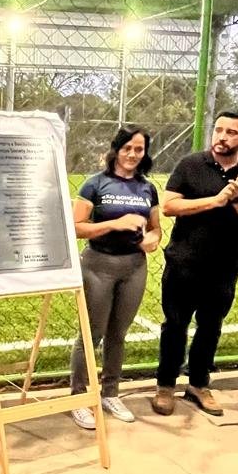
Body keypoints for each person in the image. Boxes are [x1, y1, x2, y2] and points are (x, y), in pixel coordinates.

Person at [154, 112, 238, 416]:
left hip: (223, 266)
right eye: (218, 129)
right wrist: (216, 200)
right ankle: (165, 385)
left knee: (210, 327)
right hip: (183, 262)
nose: (222, 136)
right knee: (174, 325)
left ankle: (198, 384)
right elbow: (169, 206)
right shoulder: (191, 164)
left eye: (231, 132)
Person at [68, 126, 162, 430]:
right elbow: (76, 227)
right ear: (116, 150)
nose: (133, 154)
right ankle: (79, 398)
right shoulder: (95, 184)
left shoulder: (147, 188)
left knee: (118, 333)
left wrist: (151, 240)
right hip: (98, 264)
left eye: (139, 149)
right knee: (91, 333)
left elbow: (156, 229)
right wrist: (114, 224)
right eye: (127, 148)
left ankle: (110, 393)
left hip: (134, 266)